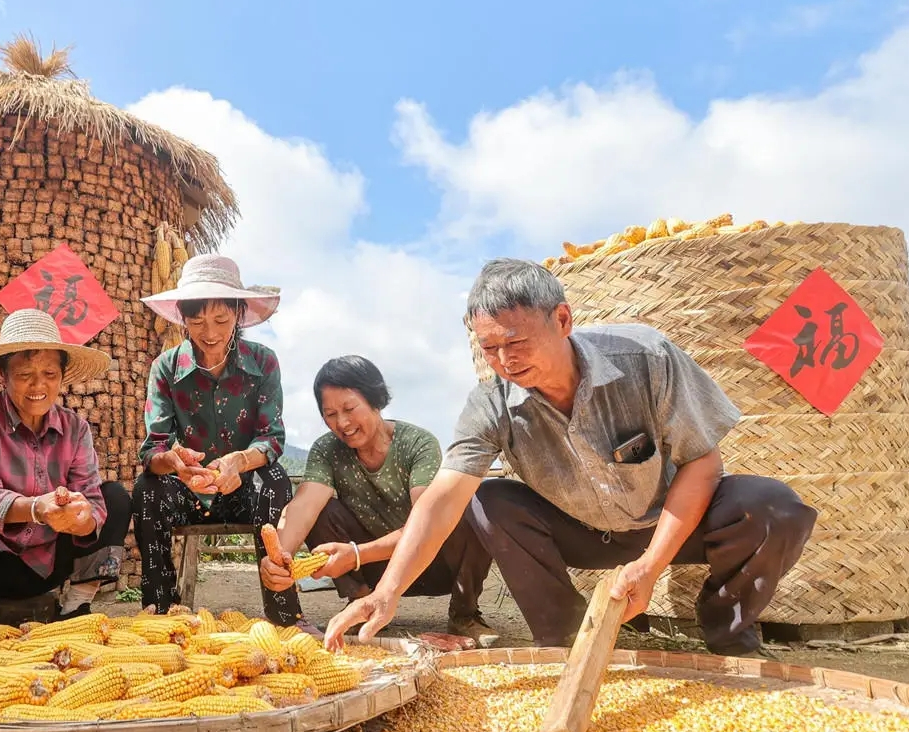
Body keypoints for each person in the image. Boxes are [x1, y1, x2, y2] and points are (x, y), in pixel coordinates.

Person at [326, 258, 817, 658]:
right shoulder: (491, 404)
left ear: (562, 320)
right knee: (488, 499)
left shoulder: (646, 358)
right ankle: (562, 638)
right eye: (489, 348)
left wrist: (649, 566)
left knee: (773, 506)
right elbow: (441, 502)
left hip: (669, 519)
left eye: (516, 342)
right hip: (582, 533)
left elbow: (702, 463)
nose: (505, 361)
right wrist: (385, 592)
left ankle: (728, 632)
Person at [0, 309, 132, 647]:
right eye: (24, 375)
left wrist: (81, 518)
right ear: (2, 375)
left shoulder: (75, 429)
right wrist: (36, 508)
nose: (39, 385)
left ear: (62, 376)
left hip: (44, 567)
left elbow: (91, 499)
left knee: (114, 498)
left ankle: (76, 603)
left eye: (50, 373)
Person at [258, 355, 495, 648]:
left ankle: (464, 613)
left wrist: (356, 554)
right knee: (322, 509)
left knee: (468, 506)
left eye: (349, 408)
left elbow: (429, 523)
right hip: (373, 570)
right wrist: (279, 557)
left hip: (431, 563)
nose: (342, 423)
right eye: (329, 414)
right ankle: (361, 602)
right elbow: (306, 503)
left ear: (376, 401)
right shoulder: (327, 450)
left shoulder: (417, 444)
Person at [133, 255, 300, 625]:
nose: (209, 332)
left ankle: (284, 613)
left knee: (276, 481)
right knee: (148, 488)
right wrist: (176, 462)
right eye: (197, 321)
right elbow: (154, 448)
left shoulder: (264, 362)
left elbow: (272, 438)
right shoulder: (165, 368)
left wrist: (239, 461)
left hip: (245, 493)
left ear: (239, 314)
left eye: (221, 320)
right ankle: (160, 613)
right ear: (183, 319)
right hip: (188, 491)